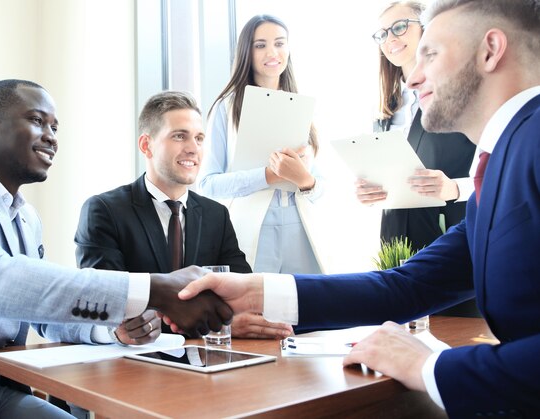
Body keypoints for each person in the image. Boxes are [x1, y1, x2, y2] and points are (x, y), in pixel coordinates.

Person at [176, 0, 540, 416]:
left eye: (430, 54)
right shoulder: (499, 167)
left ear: (490, 50)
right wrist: (261, 292)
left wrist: (430, 367)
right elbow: (408, 287)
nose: (415, 76)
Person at [0, 79, 232, 418]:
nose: (51, 136)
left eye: (54, 126)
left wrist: (114, 329)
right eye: (37, 121)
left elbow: (43, 314)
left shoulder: (26, 217)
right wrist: (153, 288)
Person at [74, 90, 292, 339]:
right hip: (136, 363)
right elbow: (112, 307)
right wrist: (222, 324)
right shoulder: (104, 211)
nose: (193, 149)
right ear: (147, 145)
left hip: (209, 364)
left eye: (199, 139)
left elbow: (243, 293)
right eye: (179, 136)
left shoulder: (216, 215)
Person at [361, 1, 479, 317]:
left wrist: (453, 188)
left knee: (455, 330)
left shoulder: (458, 94)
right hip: (397, 235)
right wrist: (370, 191)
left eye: (400, 26)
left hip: (450, 234)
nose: (391, 38)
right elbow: (393, 176)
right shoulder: (388, 106)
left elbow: (492, 171)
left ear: (425, 27)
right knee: (401, 321)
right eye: (382, 33)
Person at [198, 14, 331, 274]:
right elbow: (208, 185)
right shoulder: (227, 107)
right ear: (247, 51)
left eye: (280, 43)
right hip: (250, 228)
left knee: (308, 309)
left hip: (302, 228)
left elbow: (322, 187)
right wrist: (268, 176)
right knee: (255, 310)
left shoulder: (302, 106)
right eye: (260, 45)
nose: (272, 52)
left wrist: (305, 180)